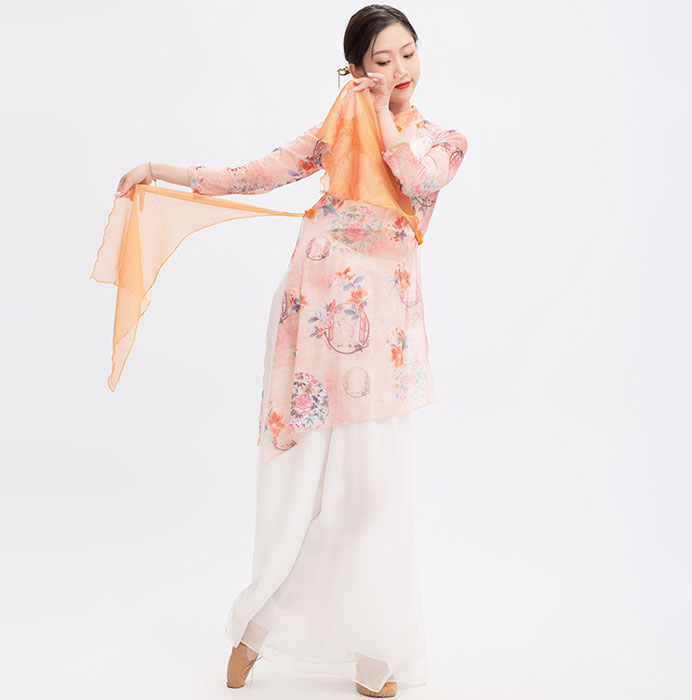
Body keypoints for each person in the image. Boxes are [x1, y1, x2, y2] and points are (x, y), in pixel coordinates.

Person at [114, 5, 467, 697]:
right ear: (357, 69)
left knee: (371, 494)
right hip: (315, 313)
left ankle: (314, 638)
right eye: (382, 61)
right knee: (310, 483)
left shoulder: (444, 140)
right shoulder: (338, 125)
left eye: (407, 54)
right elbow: (259, 173)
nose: (399, 71)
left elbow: (416, 180)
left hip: (383, 332)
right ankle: (319, 642)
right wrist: (159, 169)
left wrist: (379, 111)